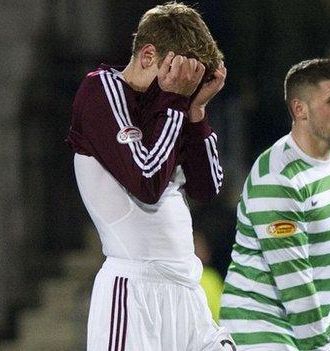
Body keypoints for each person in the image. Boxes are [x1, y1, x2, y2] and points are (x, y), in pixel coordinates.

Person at [67, 3, 234, 350]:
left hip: (187, 291)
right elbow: (147, 182)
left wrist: (197, 112)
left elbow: (207, 188)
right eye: (176, 76)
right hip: (133, 296)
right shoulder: (101, 91)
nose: (181, 87)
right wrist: (176, 102)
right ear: (147, 57)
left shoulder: (175, 105)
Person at [220, 58, 330, 350]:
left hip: (300, 332)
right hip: (258, 331)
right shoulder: (278, 177)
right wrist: (320, 347)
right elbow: (295, 283)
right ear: (299, 109)